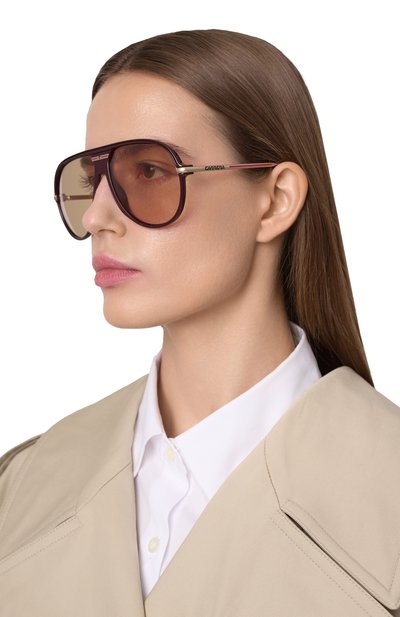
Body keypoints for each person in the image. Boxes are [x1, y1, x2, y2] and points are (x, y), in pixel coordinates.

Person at [0, 28, 399, 616]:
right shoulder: (22, 489)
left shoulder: (387, 493)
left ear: (275, 200)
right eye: (91, 180)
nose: (98, 217)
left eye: (149, 172)